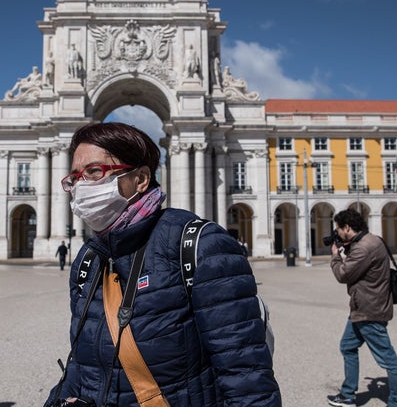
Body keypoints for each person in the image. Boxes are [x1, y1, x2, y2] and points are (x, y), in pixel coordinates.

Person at [45, 122, 280, 406]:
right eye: (75, 178)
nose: (81, 187)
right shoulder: (88, 259)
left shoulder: (200, 246)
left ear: (141, 178)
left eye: (94, 172)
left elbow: (246, 378)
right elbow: (82, 364)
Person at [328, 208, 397, 407]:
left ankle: (396, 402)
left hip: (369, 310)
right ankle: (347, 395)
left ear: (347, 227)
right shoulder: (373, 240)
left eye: (339, 229)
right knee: (347, 346)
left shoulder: (364, 248)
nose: (337, 232)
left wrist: (336, 256)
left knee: (387, 358)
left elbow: (343, 274)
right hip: (362, 307)